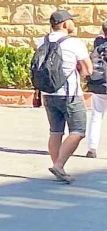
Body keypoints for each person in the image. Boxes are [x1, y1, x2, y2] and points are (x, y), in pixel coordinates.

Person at [36, 9, 92, 183]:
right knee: (78, 131)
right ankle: (59, 165)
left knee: (55, 131)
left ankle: (58, 166)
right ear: (66, 24)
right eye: (72, 21)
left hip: (48, 93)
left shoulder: (41, 41)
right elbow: (87, 70)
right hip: (70, 94)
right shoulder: (74, 43)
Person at [87, 19, 107, 159]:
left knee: (96, 116)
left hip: (99, 84)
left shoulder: (98, 43)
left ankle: (92, 148)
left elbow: (100, 34)